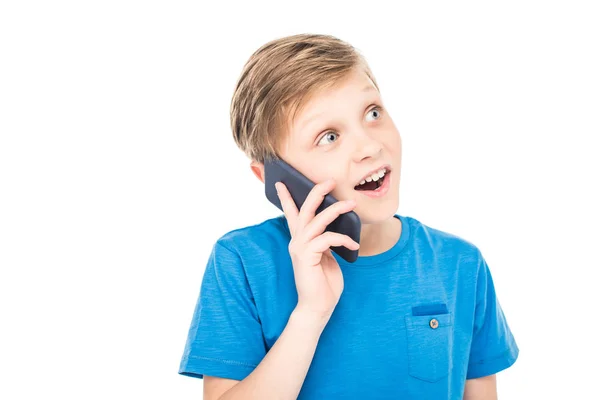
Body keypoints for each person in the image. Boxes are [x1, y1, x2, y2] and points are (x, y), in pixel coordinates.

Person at [178, 33, 519, 399]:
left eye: (373, 113)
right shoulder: (242, 262)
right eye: (329, 136)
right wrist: (310, 313)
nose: (370, 146)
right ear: (275, 178)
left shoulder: (461, 264)